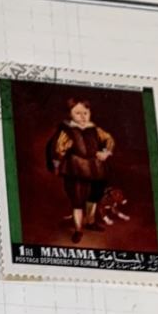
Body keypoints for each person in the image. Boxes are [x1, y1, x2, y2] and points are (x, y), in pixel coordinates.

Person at [45, 97, 115, 242]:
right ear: (70, 114)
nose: (82, 117)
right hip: (75, 169)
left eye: (85, 113)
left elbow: (109, 140)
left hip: (96, 169)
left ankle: (90, 222)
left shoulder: (95, 129)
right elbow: (58, 150)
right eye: (77, 113)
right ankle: (78, 230)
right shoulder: (67, 130)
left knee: (94, 197)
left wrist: (106, 152)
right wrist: (57, 166)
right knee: (77, 200)